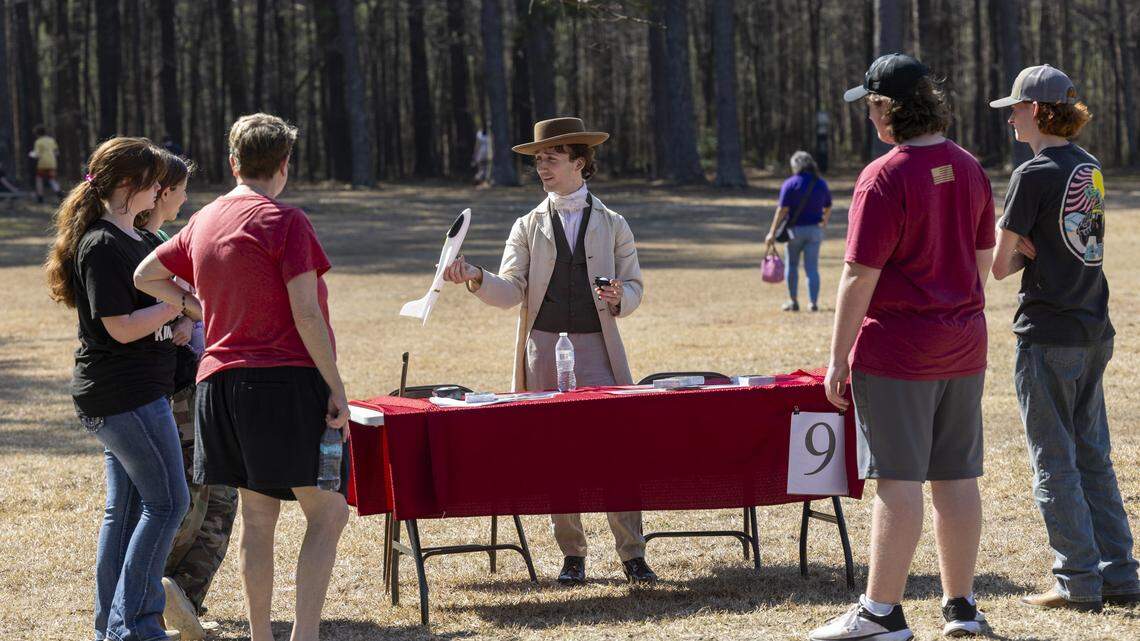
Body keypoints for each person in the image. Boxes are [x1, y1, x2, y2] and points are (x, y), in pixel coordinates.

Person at [135, 113, 350, 641]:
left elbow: (145, 274)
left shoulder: (204, 219)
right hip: (284, 380)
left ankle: (260, 636)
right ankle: (305, 636)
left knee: (258, 516)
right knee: (328, 513)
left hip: (218, 386)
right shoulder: (286, 221)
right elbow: (306, 312)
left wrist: (194, 303)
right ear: (284, 164)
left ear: (233, 162)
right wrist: (337, 387)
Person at [810, 54, 996, 641]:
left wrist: (838, 359)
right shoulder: (969, 166)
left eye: (870, 105)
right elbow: (984, 262)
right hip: (963, 345)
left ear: (889, 109)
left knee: (896, 481)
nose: (868, 116)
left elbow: (858, 276)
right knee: (956, 476)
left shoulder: (884, 175)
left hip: (899, 350)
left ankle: (881, 613)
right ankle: (961, 608)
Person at [442, 117, 655, 585]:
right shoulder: (526, 225)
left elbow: (636, 285)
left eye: (551, 158)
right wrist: (476, 276)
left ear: (579, 163)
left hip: (599, 349)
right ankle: (572, 554)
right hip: (542, 347)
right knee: (559, 453)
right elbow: (510, 289)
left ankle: (632, 553)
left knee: (614, 452)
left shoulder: (614, 223)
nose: (541, 166)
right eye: (537, 159)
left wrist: (621, 296)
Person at [990, 65, 1140, 612]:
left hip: (1048, 331)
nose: (1010, 116)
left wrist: (1022, 247)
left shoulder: (1032, 174)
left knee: (1054, 461)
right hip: (1093, 328)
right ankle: (1121, 573)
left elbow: (1001, 268)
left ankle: (1077, 579)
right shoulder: (1090, 167)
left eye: (1017, 107)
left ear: (1039, 111)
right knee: (1093, 456)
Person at [45, 137, 190, 641]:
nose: (162, 188)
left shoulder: (145, 242)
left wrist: (182, 316)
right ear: (129, 186)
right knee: (171, 504)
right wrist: (172, 309)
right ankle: (136, 627)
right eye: (153, 181)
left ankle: (112, 626)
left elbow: (186, 303)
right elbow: (121, 327)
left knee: (127, 510)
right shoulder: (102, 245)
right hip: (122, 397)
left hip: (140, 390)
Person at [136, 151, 239, 639]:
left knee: (221, 500)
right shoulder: (135, 246)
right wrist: (181, 313)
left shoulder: (165, 240)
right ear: (160, 191)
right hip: (173, 390)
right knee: (188, 501)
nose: (184, 197)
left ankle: (184, 604)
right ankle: (148, 603)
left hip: (202, 382)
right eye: (180, 189)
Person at [764, 151, 833, 311]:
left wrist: (772, 232)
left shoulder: (790, 183)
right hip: (815, 231)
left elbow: (782, 210)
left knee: (792, 265)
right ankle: (813, 303)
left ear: (796, 165)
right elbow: (828, 206)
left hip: (794, 232)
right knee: (812, 268)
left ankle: (793, 301)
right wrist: (824, 222)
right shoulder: (821, 183)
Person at [31, 124, 63, 203]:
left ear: (37, 134)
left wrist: (31, 154)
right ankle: (59, 193)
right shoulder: (51, 140)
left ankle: (40, 197)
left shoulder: (38, 142)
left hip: (42, 163)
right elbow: (57, 153)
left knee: (39, 179)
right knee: (52, 179)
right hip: (52, 162)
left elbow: (37, 154)